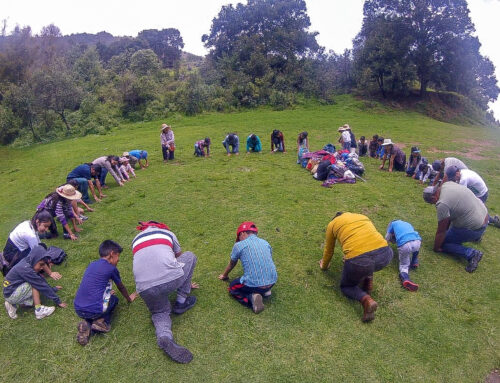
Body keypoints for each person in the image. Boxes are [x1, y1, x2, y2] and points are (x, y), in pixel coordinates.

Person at [132, 221, 197, 363]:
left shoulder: (135, 239)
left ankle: (164, 336)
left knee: (160, 312)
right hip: (170, 279)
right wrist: (186, 280)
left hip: (144, 288)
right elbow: (178, 259)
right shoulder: (168, 233)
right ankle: (181, 301)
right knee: (190, 256)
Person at [319, 212, 393, 322]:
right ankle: (368, 280)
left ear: (334, 218)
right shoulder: (362, 217)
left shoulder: (332, 224)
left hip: (359, 260)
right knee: (368, 262)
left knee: (346, 287)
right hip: (385, 255)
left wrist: (324, 266)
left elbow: (329, 250)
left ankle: (366, 300)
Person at [74, 240, 137, 346]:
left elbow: (94, 284)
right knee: (114, 300)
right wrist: (129, 298)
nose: (118, 260)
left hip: (78, 308)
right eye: (118, 257)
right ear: (112, 254)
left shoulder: (92, 264)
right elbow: (120, 287)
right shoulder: (111, 268)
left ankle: (86, 323)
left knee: (95, 306)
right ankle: (101, 322)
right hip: (95, 310)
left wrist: (106, 292)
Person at [423, 183, 487, 272]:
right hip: (484, 217)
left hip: (474, 228)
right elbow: (449, 218)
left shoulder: (442, 204)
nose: (434, 204)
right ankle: (476, 237)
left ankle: (472, 253)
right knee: (450, 232)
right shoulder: (447, 184)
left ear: (433, 198)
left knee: (444, 243)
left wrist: (436, 248)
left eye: (431, 203)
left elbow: (441, 231)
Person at [218, 222, 277, 314]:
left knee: (233, 287)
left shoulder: (239, 245)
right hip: (272, 281)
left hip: (255, 285)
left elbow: (232, 264)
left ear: (242, 233)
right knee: (262, 279)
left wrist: (224, 275)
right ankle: (266, 291)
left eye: (239, 238)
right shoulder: (265, 243)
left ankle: (251, 299)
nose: (239, 240)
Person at [3, 245, 67, 320]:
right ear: (35, 259)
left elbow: (39, 279)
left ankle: (12, 305)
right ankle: (39, 310)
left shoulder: (28, 262)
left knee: (36, 282)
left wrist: (53, 289)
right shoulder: (26, 269)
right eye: (41, 264)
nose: (42, 268)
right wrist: (58, 301)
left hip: (9, 292)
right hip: (11, 294)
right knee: (34, 284)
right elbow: (41, 285)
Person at [1, 210, 62, 279]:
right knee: (38, 259)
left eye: (48, 227)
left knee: (42, 247)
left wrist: (46, 261)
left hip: (13, 251)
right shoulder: (30, 235)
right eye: (45, 226)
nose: (46, 229)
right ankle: (31, 273)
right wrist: (50, 273)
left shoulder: (29, 223)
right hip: (12, 258)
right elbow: (38, 256)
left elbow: (39, 245)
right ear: (37, 221)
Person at [385, 220, 421, 291]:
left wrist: (385, 247)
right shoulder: (408, 223)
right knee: (415, 249)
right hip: (417, 241)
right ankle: (414, 261)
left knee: (404, 265)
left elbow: (387, 237)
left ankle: (405, 279)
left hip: (404, 245)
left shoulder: (392, 224)